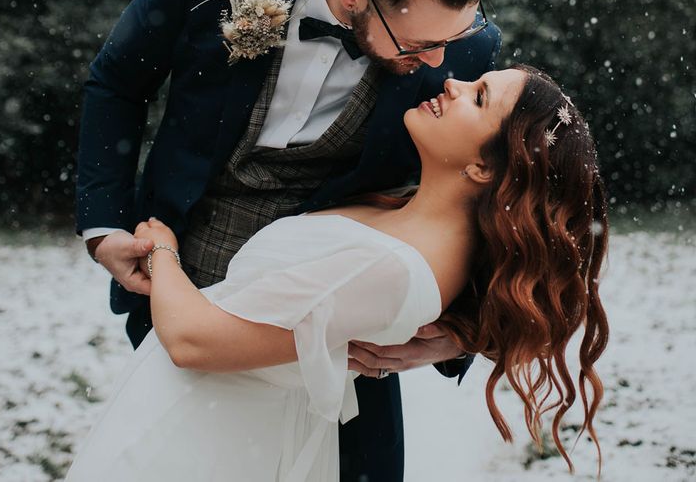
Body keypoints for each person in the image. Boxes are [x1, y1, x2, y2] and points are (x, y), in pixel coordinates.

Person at [76, 0, 501, 479]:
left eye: (453, 37)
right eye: (417, 44)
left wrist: (462, 330)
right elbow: (118, 80)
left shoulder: (464, 55)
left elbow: (489, 198)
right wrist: (104, 225)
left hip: (344, 337)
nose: (438, 62)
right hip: (178, 292)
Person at [66, 65, 609, 480]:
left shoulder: (396, 266)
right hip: (192, 412)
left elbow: (192, 341)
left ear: (484, 166)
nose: (453, 81)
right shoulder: (402, 209)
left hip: (207, 439)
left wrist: (162, 250)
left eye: (479, 96)